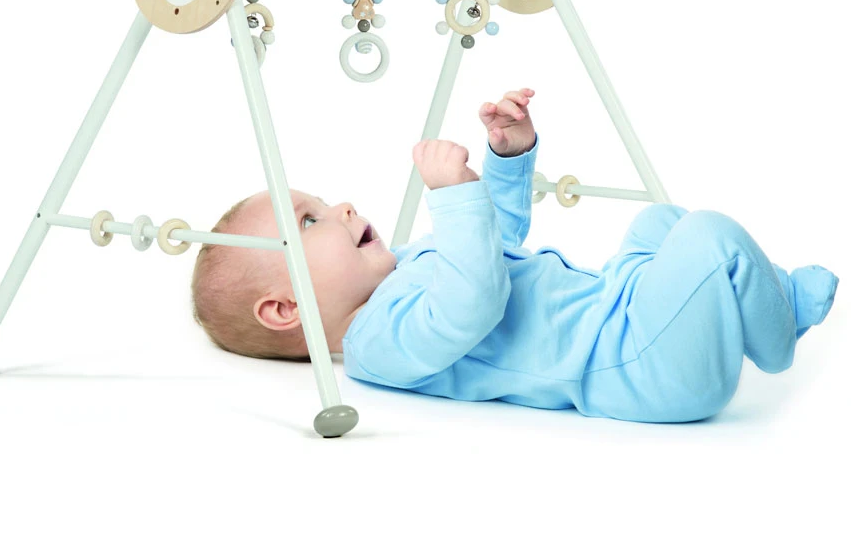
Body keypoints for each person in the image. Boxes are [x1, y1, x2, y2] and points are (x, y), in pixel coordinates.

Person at [190, 88, 839, 422]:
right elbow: (473, 302)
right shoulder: (375, 344)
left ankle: (748, 310)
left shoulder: (407, 266)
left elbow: (493, 243)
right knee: (710, 239)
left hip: (618, 305)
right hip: (634, 366)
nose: (344, 208)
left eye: (324, 202)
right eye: (310, 220)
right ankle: (779, 322)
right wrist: (453, 197)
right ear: (284, 309)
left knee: (658, 223)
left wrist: (505, 158)